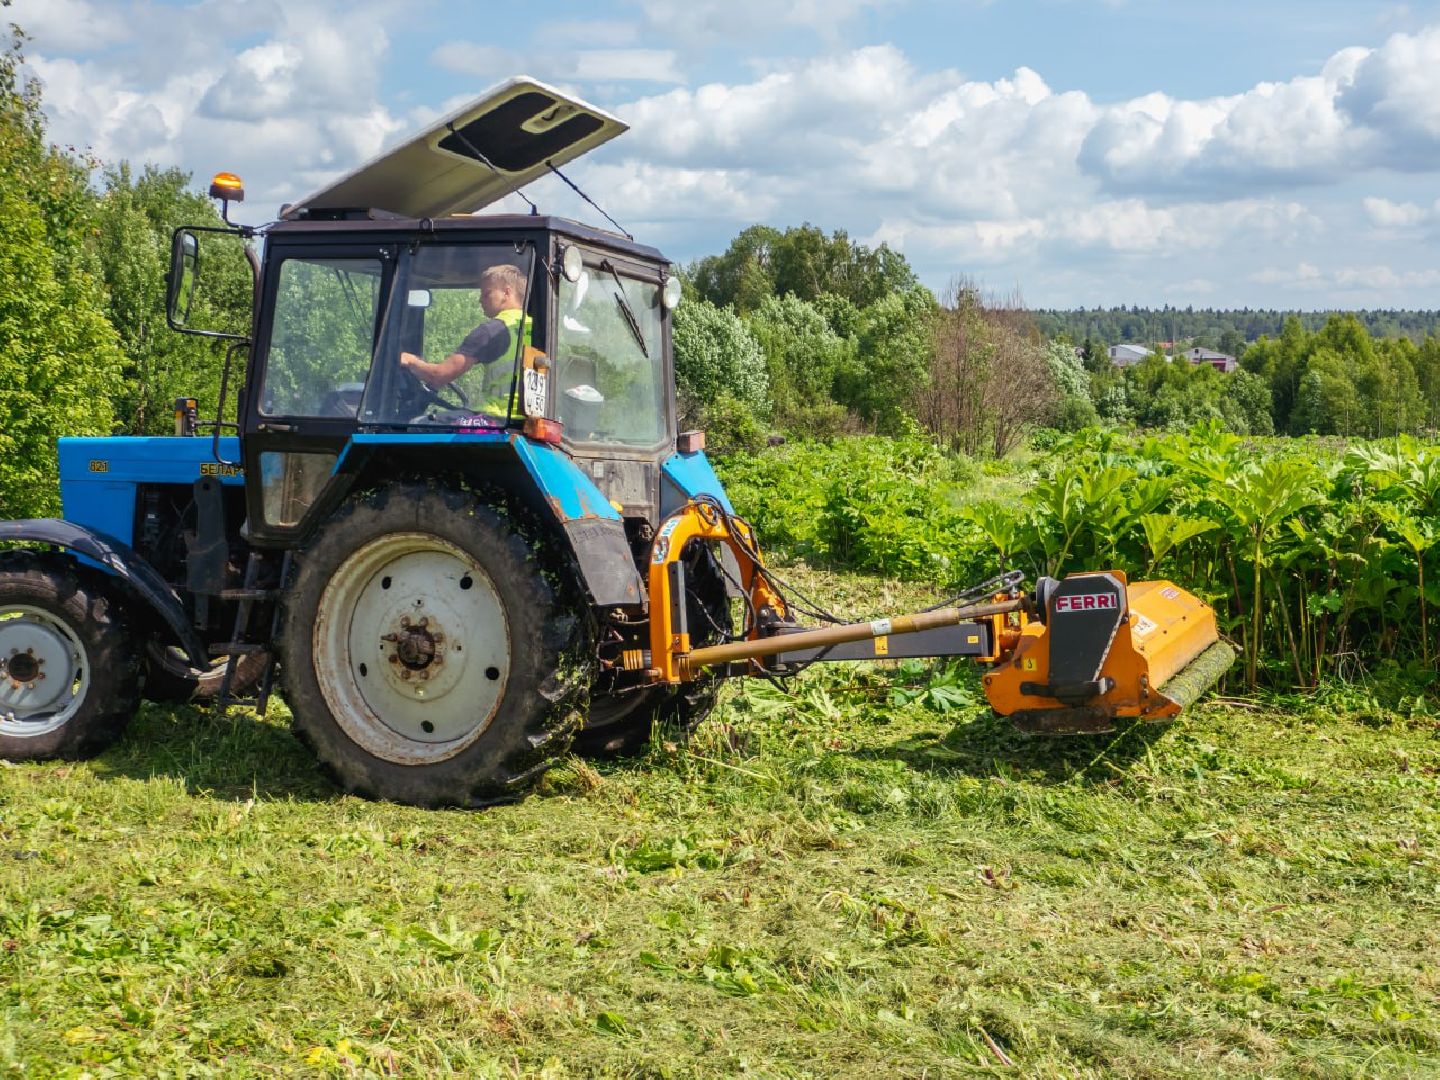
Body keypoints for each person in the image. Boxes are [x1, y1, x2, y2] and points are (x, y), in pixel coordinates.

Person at [399, 263, 530, 417]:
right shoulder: (532, 328)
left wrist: (410, 361)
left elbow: (438, 376)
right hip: (524, 422)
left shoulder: (492, 330)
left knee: (419, 427)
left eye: (486, 294)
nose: (480, 300)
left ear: (506, 293)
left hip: (497, 419)